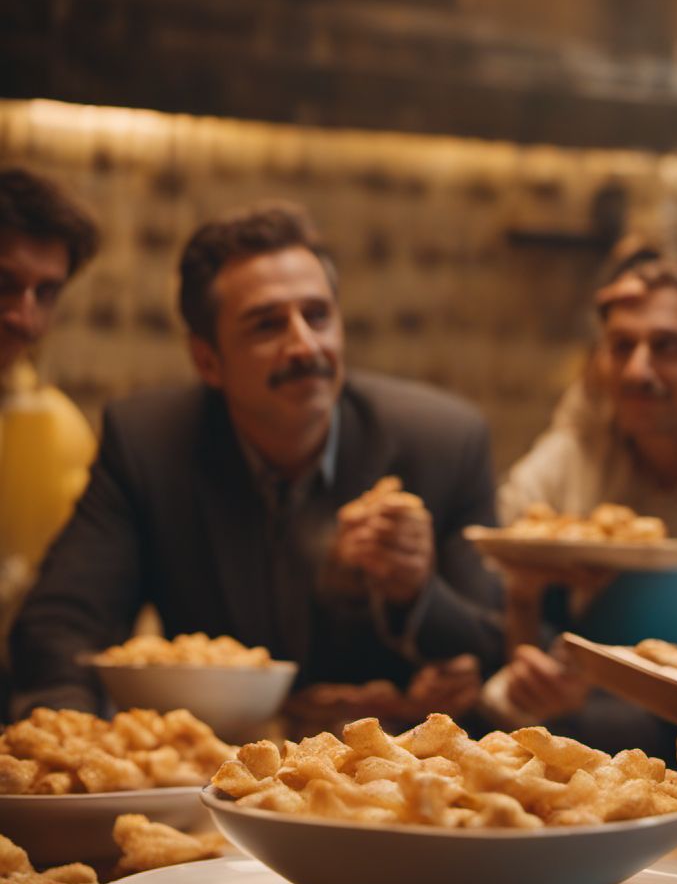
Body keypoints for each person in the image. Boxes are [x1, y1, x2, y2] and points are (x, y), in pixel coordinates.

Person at [8, 202, 503, 730]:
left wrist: (416, 593)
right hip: (218, 772)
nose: (305, 345)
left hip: (395, 777)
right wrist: (71, 738)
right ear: (207, 361)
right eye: (267, 325)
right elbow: (61, 622)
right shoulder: (150, 444)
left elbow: (500, 641)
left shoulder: (443, 441)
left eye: (317, 315)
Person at [486, 253, 677, 761]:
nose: (638, 370)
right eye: (621, 347)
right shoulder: (578, 453)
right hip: (591, 729)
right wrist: (522, 599)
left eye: (667, 347)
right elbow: (502, 566)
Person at [0, 169, 98, 710]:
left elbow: (69, 611)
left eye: (47, 292)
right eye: (5, 285)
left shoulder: (60, 428)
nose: (26, 319)